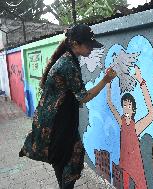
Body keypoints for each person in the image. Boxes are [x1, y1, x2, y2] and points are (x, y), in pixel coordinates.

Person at [19, 24, 116, 189]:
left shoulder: (68, 58)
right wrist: (105, 80)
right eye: (89, 45)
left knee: (65, 159)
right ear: (75, 43)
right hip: (58, 123)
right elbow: (84, 97)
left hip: (59, 119)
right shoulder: (67, 65)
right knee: (67, 160)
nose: (92, 49)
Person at [107, 65, 153, 189]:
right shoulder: (121, 122)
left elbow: (152, 113)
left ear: (133, 109)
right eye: (124, 105)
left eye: (129, 105)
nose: (126, 107)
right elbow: (110, 103)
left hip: (135, 165)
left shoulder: (136, 127)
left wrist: (141, 81)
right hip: (124, 163)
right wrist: (108, 83)